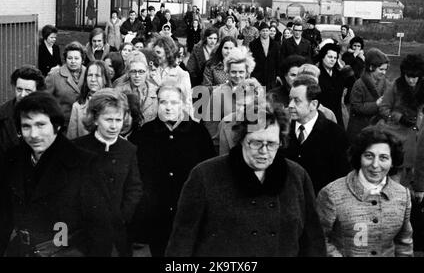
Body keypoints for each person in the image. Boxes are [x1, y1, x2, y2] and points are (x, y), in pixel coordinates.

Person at [165, 103, 326, 257]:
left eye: (271, 144)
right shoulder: (205, 175)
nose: (264, 151)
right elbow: (182, 241)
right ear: (241, 139)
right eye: (256, 143)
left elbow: (313, 241)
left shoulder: (297, 176)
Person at [0, 91, 113, 256]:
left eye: (41, 125)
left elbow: (101, 230)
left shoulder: (85, 164)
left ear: (57, 126)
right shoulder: (12, 159)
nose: (34, 135)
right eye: (26, 126)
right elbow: (3, 216)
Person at [128, 82, 215, 256]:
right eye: (163, 102)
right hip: (156, 216)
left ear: (183, 103)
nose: (168, 108)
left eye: (174, 102)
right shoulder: (144, 134)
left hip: (189, 212)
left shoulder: (198, 134)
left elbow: (209, 175)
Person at [316, 125, 413, 257]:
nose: (375, 165)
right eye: (369, 156)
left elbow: (403, 244)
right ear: (359, 157)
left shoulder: (402, 195)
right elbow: (318, 239)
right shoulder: (332, 193)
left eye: (383, 158)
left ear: (392, 161)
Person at [73, 88, 143, 256]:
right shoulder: (77, 148)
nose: (114, 126)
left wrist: (122, 216)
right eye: (108, 119)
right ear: (95, 119)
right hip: (85, 235)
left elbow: (134, 188)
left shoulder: (129, 149)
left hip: (118, 233)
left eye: (118, 120)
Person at [285, 75, 350, 193]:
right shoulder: (282, 131)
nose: (290, 105)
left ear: (314, 104)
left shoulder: (335, 135)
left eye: (297, 101)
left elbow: (342, 177)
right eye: (290, 99)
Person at [379, 54, 424, 186]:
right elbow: (383, 108)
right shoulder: (395, 86)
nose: (411, 80)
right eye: (408, 76)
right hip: (398, 136)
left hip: (418, 137)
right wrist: (399, 117)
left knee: (416, 174)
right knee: (397, 177)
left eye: (415, 77)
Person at [203, 47, 256, 150]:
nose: (237, 76)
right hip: (226, 147)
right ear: (227, 72)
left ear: (247, 72)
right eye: (233, 72)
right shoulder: (218, 93)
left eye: (241, 72)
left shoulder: (255, 91)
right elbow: (211, 129)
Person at [0, 66, 45, 167]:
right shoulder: (2, 114)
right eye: (19, 89)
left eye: (28, 90)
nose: (22, 94)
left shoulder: (46, 115)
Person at [346, 48, 390, 143]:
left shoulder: (386, 83)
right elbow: (356, 106)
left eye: (385, 69)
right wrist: (376, 105)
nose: (384, 72)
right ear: (371, 67)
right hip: (360, 128)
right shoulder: (359, 84)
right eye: (381, 69)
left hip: (378, 128)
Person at [46, 41, 86, 130]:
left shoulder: (89, 73)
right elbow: (45, 100)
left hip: (84, 123)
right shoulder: (54, 75)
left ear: (82, 59)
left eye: (76, 58)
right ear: (65, 59)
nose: (73, 61)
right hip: (62, 125)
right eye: (70, 58)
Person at [148, 36, 192, 116]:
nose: (155, 55)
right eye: (154, 52)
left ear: (168, 53)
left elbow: (187, 104)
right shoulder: (149, 72)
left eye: (158, 52)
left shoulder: (182, 75)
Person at [67, 60, 112, 140]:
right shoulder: (77, 106)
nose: (93, 79)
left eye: (97, 75)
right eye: (90, 75)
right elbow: (71, 139)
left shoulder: (114, 104)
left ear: (105, 79)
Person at [115, 51, 158, 126]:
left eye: (141, 71)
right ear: (128, 72)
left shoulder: (156, 91)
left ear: (147, 71)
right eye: (133, 71)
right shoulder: (118, 91)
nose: (137, 75)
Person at [317, 42, 347, 127]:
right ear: (323, 57)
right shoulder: (317, 74)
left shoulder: (339, 75)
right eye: (330, 57)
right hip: (321, 116)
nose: (333, 60)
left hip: (337, 115)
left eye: (335, 57)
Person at [249, 22, 280, 90]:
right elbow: (251, 60)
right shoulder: (253, 44)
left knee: (270, 97)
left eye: (266, 31)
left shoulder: (275, 44)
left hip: (271, 75)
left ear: (269, 32)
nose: (265, 32)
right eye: (263, 31)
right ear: (259, 32)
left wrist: (278, 74)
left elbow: (277, 60)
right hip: (258, 74)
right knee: (258, 97)